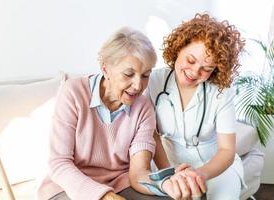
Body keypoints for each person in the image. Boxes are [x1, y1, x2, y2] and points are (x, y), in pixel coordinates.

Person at [37, 27, 179, 200]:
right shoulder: (73, 92)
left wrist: (168, 185)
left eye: (145, 75)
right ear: (105, 69)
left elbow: (139, 173)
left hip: (121, 183)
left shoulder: (144, 108)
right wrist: (103, 196)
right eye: (129, 74)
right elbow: (59, 164)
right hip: (68, 186)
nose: (137, 85)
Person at [144, 13, 246, 200]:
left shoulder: (221, 92)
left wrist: (201, 174)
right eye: (191, 60)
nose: (195, 72)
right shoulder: (153, 82)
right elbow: (153, 136)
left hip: (215, 166)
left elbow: (226, 150)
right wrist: (170, 172)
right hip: (168, 163)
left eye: (206, 69)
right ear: (179, 47)